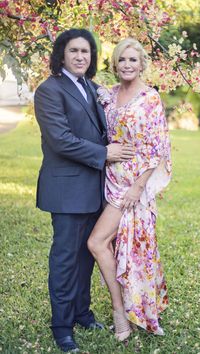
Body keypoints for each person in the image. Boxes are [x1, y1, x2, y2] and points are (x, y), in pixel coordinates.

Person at [34, 29, 134, 353]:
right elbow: (60, 140)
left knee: (86, 258)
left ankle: (81, 313)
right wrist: (105, 153)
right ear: (61, 54)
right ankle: (62, 327)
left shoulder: (92, 88)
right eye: (74, 51)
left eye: (86, 52)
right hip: (66, 192)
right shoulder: (49, 91)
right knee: (65, 260)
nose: (80, 56)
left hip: (96, 189)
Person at [88, 38, 172, 341]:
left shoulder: (149, 98)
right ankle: (128, 306)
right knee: (117, 245)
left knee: (99, 242)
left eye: (133, 60)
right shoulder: (109, 95)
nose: (127, 65)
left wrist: (138, 187)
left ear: (141, 64)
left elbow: (156, 147)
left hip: (132, 186)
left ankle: (120, 312)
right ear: (115, 63)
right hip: (110, 178)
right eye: (122, 59)